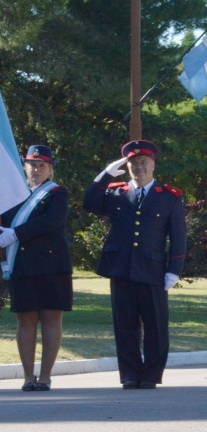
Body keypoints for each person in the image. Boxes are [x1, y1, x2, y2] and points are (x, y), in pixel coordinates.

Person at [83, 140, 186, 389]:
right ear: (127, 167)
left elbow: (179, 236)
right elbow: (89, 202)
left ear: (153, 165)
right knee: (125, 324)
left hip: (153, 270)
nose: (139, 167)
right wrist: (106, 174)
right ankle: (129, 374)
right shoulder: (116, 192)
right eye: (133, 163)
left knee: (156, 326)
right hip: (122, 267)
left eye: (144, 162)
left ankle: (150, 375)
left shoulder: (169, 197)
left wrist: (174, 270)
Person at [0, 146, 72, 391]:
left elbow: (51, 221)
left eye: (42, 165)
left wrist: (16, 233)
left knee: (51, 318)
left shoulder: (57, 193)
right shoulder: (11, 194)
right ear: (25, 167)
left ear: (50, 169)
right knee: (25, 319)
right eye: (32, 165)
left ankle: (45, 376)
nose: (36, 170)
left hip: (52, 264)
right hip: (22, 264)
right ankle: (27, 376)